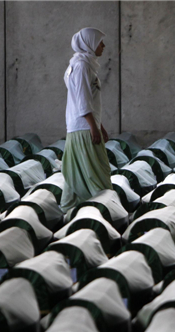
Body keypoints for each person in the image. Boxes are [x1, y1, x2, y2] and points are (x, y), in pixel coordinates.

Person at [60, 27, 113, 212]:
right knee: (98, 174)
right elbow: (82, 100)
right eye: (100, 42)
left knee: (76, 175)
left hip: (80, 127)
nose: (103, 45)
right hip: (84, 129)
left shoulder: (81, 65)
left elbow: (86, 101)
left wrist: (100, 125)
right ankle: (105, 211)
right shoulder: (81, 66)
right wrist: (93, 127)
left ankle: (68, 213)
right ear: (90, 44)